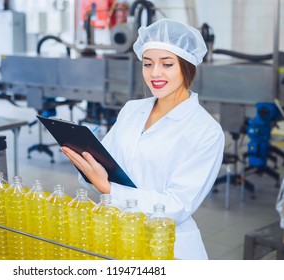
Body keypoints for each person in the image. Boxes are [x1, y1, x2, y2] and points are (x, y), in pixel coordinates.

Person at [60, 18, 225, 260]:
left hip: (167, 246)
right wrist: (86, 164)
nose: (155, 73)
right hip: (117, 233)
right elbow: (105, 164)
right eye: (147, 64)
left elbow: (178, 205)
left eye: (167, 64)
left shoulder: (206, 131)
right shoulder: (132, 109)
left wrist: (108, 188)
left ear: (187, 67)